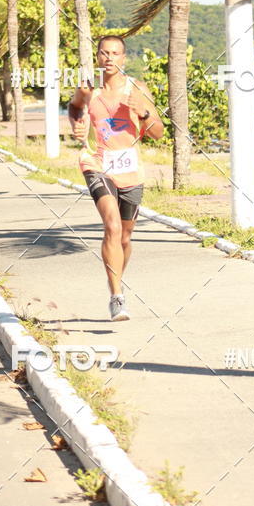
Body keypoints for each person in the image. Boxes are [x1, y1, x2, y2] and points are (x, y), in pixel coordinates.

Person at [68, 35, 164, 320]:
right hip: (97, 163)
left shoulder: (137, 89)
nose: (109, 58)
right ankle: (117, 296)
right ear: (98, 57)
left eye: (115, 53)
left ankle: (117, 277)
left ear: (123, 58)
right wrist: (77, 124)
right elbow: (74, 107)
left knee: (125, 235)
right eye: (104, 53)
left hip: (130, 169)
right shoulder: (88, 88)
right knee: (111, 225)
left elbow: (157, 133)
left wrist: (143, 112)